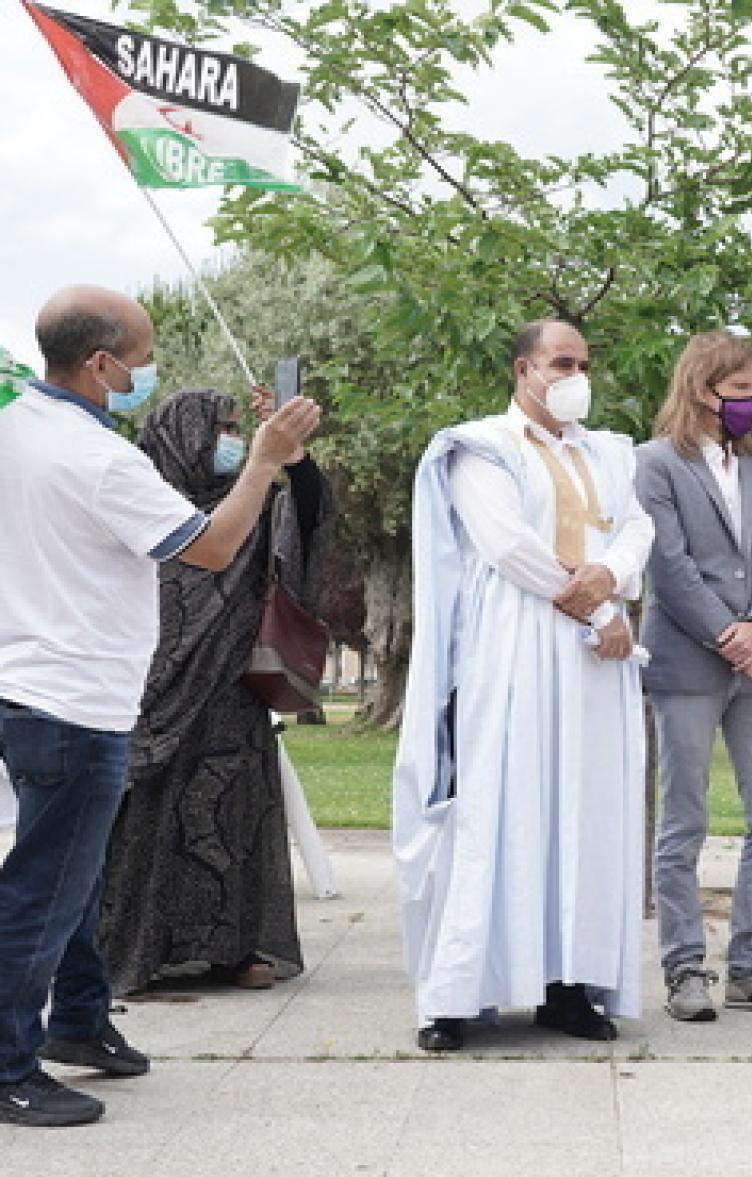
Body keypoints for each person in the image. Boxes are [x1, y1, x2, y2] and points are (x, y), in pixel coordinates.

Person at [0, 285, 319, 1127]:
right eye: (141, 359)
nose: (148, 374)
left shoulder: (17, 427)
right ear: (100, 364)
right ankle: (7, 1066)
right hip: (77, 698)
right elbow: (212, 549)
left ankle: (79, 1021)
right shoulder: (100, 460)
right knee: (44, 886)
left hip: (27, 685)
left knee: (74, 873)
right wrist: (262, 461)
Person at [393, 319, 654, 1052]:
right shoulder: (480, 447)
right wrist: (602, 606)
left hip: (596, 664)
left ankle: (569, 986)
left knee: (585, 812)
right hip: (516, 646)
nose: (576, 374)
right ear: (523, 369)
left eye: (583, 361)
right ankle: (457, 995)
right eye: (561, 362)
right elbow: (508, 545)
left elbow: (637, 527)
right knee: (499, 805)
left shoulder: (608, 452)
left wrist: (616, 574)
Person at [100, 389, 336, 995]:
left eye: (237, 430)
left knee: (227, 819)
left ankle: (231, 948)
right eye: (221, 430)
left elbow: (312, 518)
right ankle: (138, 950)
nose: (229, 442)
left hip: (233, 693)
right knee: (147, 825)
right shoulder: (142, 505)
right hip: (149, 696)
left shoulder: (251, 505)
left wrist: (291, 455)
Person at [637, 329, 752, 1021]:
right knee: (683, 820)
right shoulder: (653, 464)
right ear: (701, 390)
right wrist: (735, 639)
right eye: (739, 391)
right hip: (687, 662)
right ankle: (685, 967)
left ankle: (751, 964)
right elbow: (670, 568)